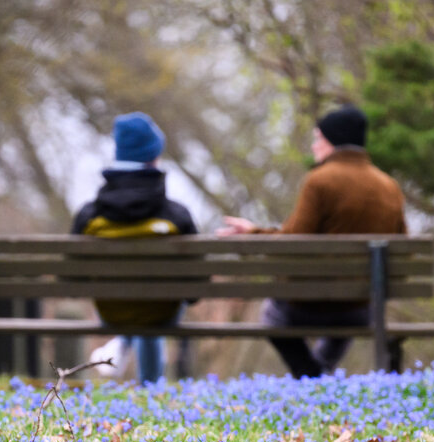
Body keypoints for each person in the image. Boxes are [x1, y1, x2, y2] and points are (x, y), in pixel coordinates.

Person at [218, 105, 407, 378]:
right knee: (348, 299)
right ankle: (319, 374)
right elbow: (402, 250)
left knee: (272, 314)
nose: (313, 145)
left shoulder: (320, 182)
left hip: (310, 308)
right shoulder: (389, 186)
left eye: (318, 138)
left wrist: (253, 233)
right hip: (362, 309)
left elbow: (292, 243)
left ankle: (311, 375)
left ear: (332, 141)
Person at [74, 112, 197, 384]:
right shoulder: (176, 216)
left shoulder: (89, 216)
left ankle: (120, 345)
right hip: (161, 313)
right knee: (152, 306)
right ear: (154, 156)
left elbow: (72, 278)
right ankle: (149, 390)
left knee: (139, 306)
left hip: (111, 312)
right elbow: (195, 290)